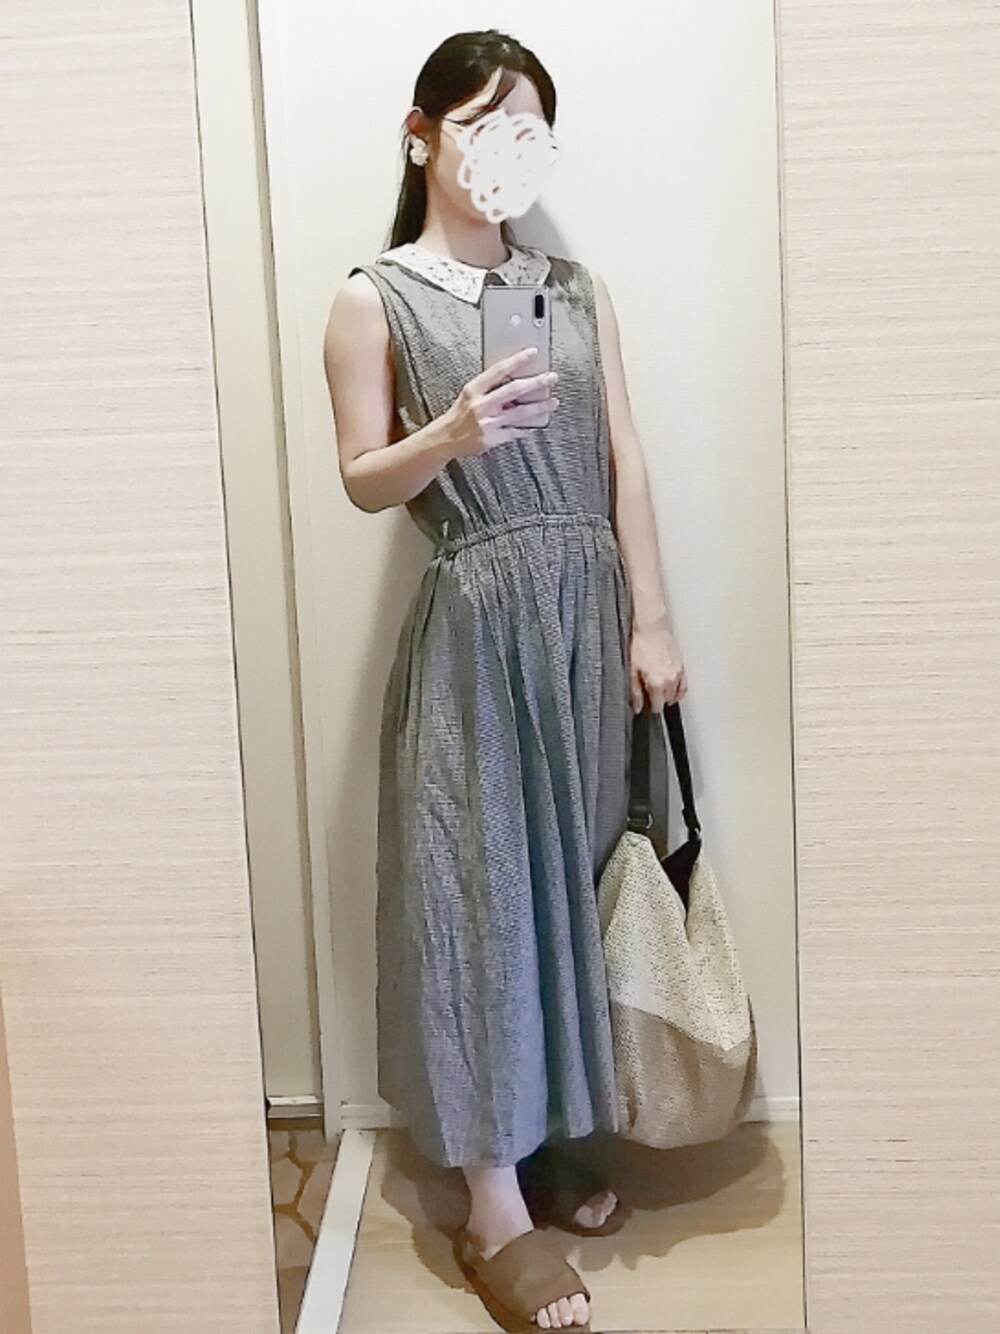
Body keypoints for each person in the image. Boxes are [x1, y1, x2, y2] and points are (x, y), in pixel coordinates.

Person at [324, 29, 686, 1333]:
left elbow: (624, 455)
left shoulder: (574, 290)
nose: (502, 150)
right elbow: (362, 479)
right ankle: (491, 1210)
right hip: (478, 623)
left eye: (526, 127)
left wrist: (653, 618)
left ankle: (537, 1142)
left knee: (569, 891)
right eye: (480, 121)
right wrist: (455, 429)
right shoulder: (372, 298)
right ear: (422, 134)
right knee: (480, 903)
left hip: (590, 618)